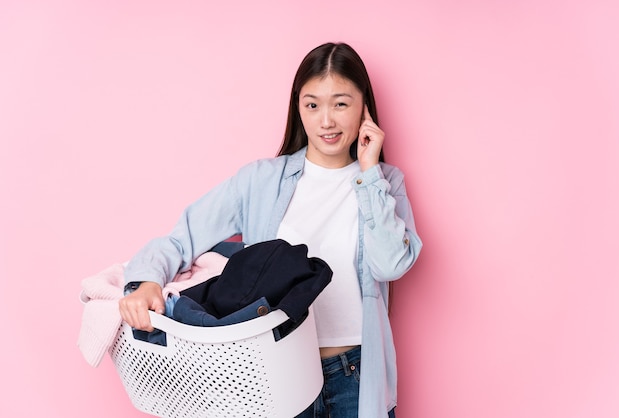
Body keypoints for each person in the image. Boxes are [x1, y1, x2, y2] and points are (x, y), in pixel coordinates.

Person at [119, 42, 422, 418]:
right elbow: (182, 238)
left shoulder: (384, 183)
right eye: (313, 105)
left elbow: (391, 264)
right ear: (298, 107)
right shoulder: (260, 181)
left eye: (340, 103)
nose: (326, 120)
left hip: (355, 377)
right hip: (274, 374)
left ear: (364, 108)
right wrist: (145, 281)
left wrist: (369, 173)